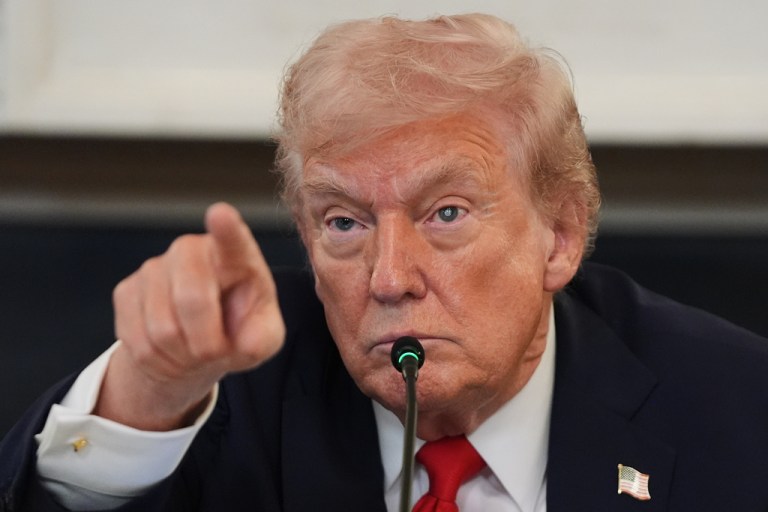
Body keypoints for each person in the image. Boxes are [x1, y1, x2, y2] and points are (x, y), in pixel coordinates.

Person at [2, 12, 768, 512]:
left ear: (559, 236)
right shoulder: (228, 397)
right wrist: (152, 386)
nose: (389, 277)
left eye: (446, 214)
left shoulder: (734, 410)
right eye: (344, 221)